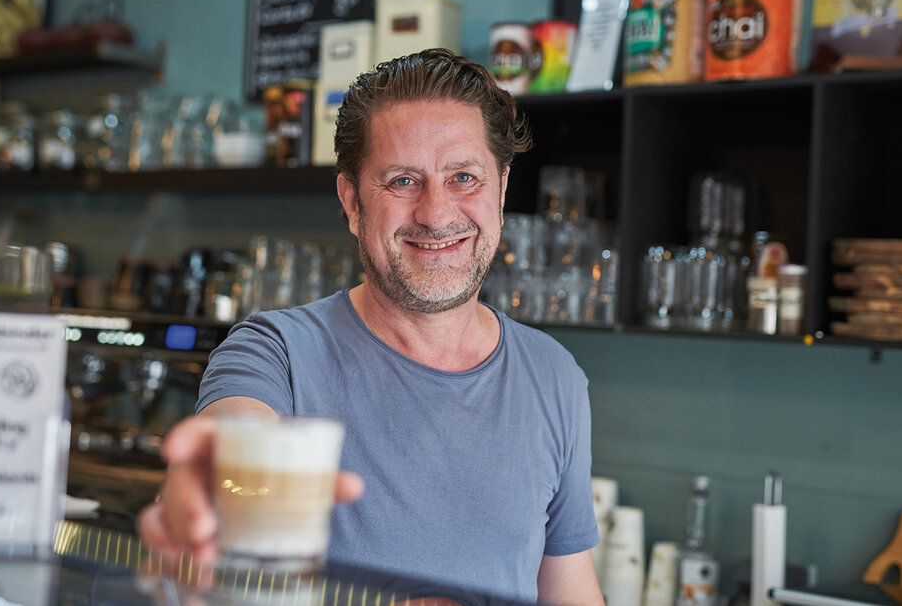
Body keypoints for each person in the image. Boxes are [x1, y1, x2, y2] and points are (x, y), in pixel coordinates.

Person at [138, 48, 603, 605]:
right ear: (353, 202)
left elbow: (570, 589)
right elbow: (232, 440)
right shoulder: (276, 353)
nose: (436, 214)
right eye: (403, 181)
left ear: (501, 190)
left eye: (463, 177)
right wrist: (213, 487)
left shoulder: (554, 375)